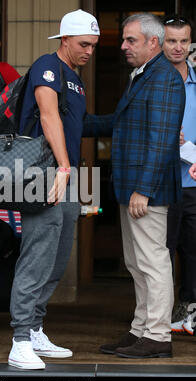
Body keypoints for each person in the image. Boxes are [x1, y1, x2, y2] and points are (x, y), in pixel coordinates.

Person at [84, 13, 185, 358]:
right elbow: (119, 122)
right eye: (125, 40)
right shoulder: (142, 76)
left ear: (152, 42)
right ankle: (140, 329)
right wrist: (77, 122)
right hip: (131, 188)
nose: (123, 46)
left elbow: (161, 139)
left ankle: (157, 336)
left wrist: (144, 189)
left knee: (153, 262)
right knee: (136, 263)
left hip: (147, 191)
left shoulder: (164, 79)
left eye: (131, 40)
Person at [7, 9, 100, 370]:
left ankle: (34, 330)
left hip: (69, 177)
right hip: (42, 175)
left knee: (58, 257)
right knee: (37, 256)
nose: (89, 51)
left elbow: (78, 125)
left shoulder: (76, 79)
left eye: (93, 45)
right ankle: (19, 341)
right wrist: (62, 167)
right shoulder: (48, 64)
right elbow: (48, 116)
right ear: (64, 40)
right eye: (83, 44)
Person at [161, 15, 196, 335]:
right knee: (161, 252)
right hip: (160, 183)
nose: (178, 47)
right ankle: (158, 313)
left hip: (194, 182)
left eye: (183, 41)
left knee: (193, 249)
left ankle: (188, 310)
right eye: (171, 40)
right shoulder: (149, 79)